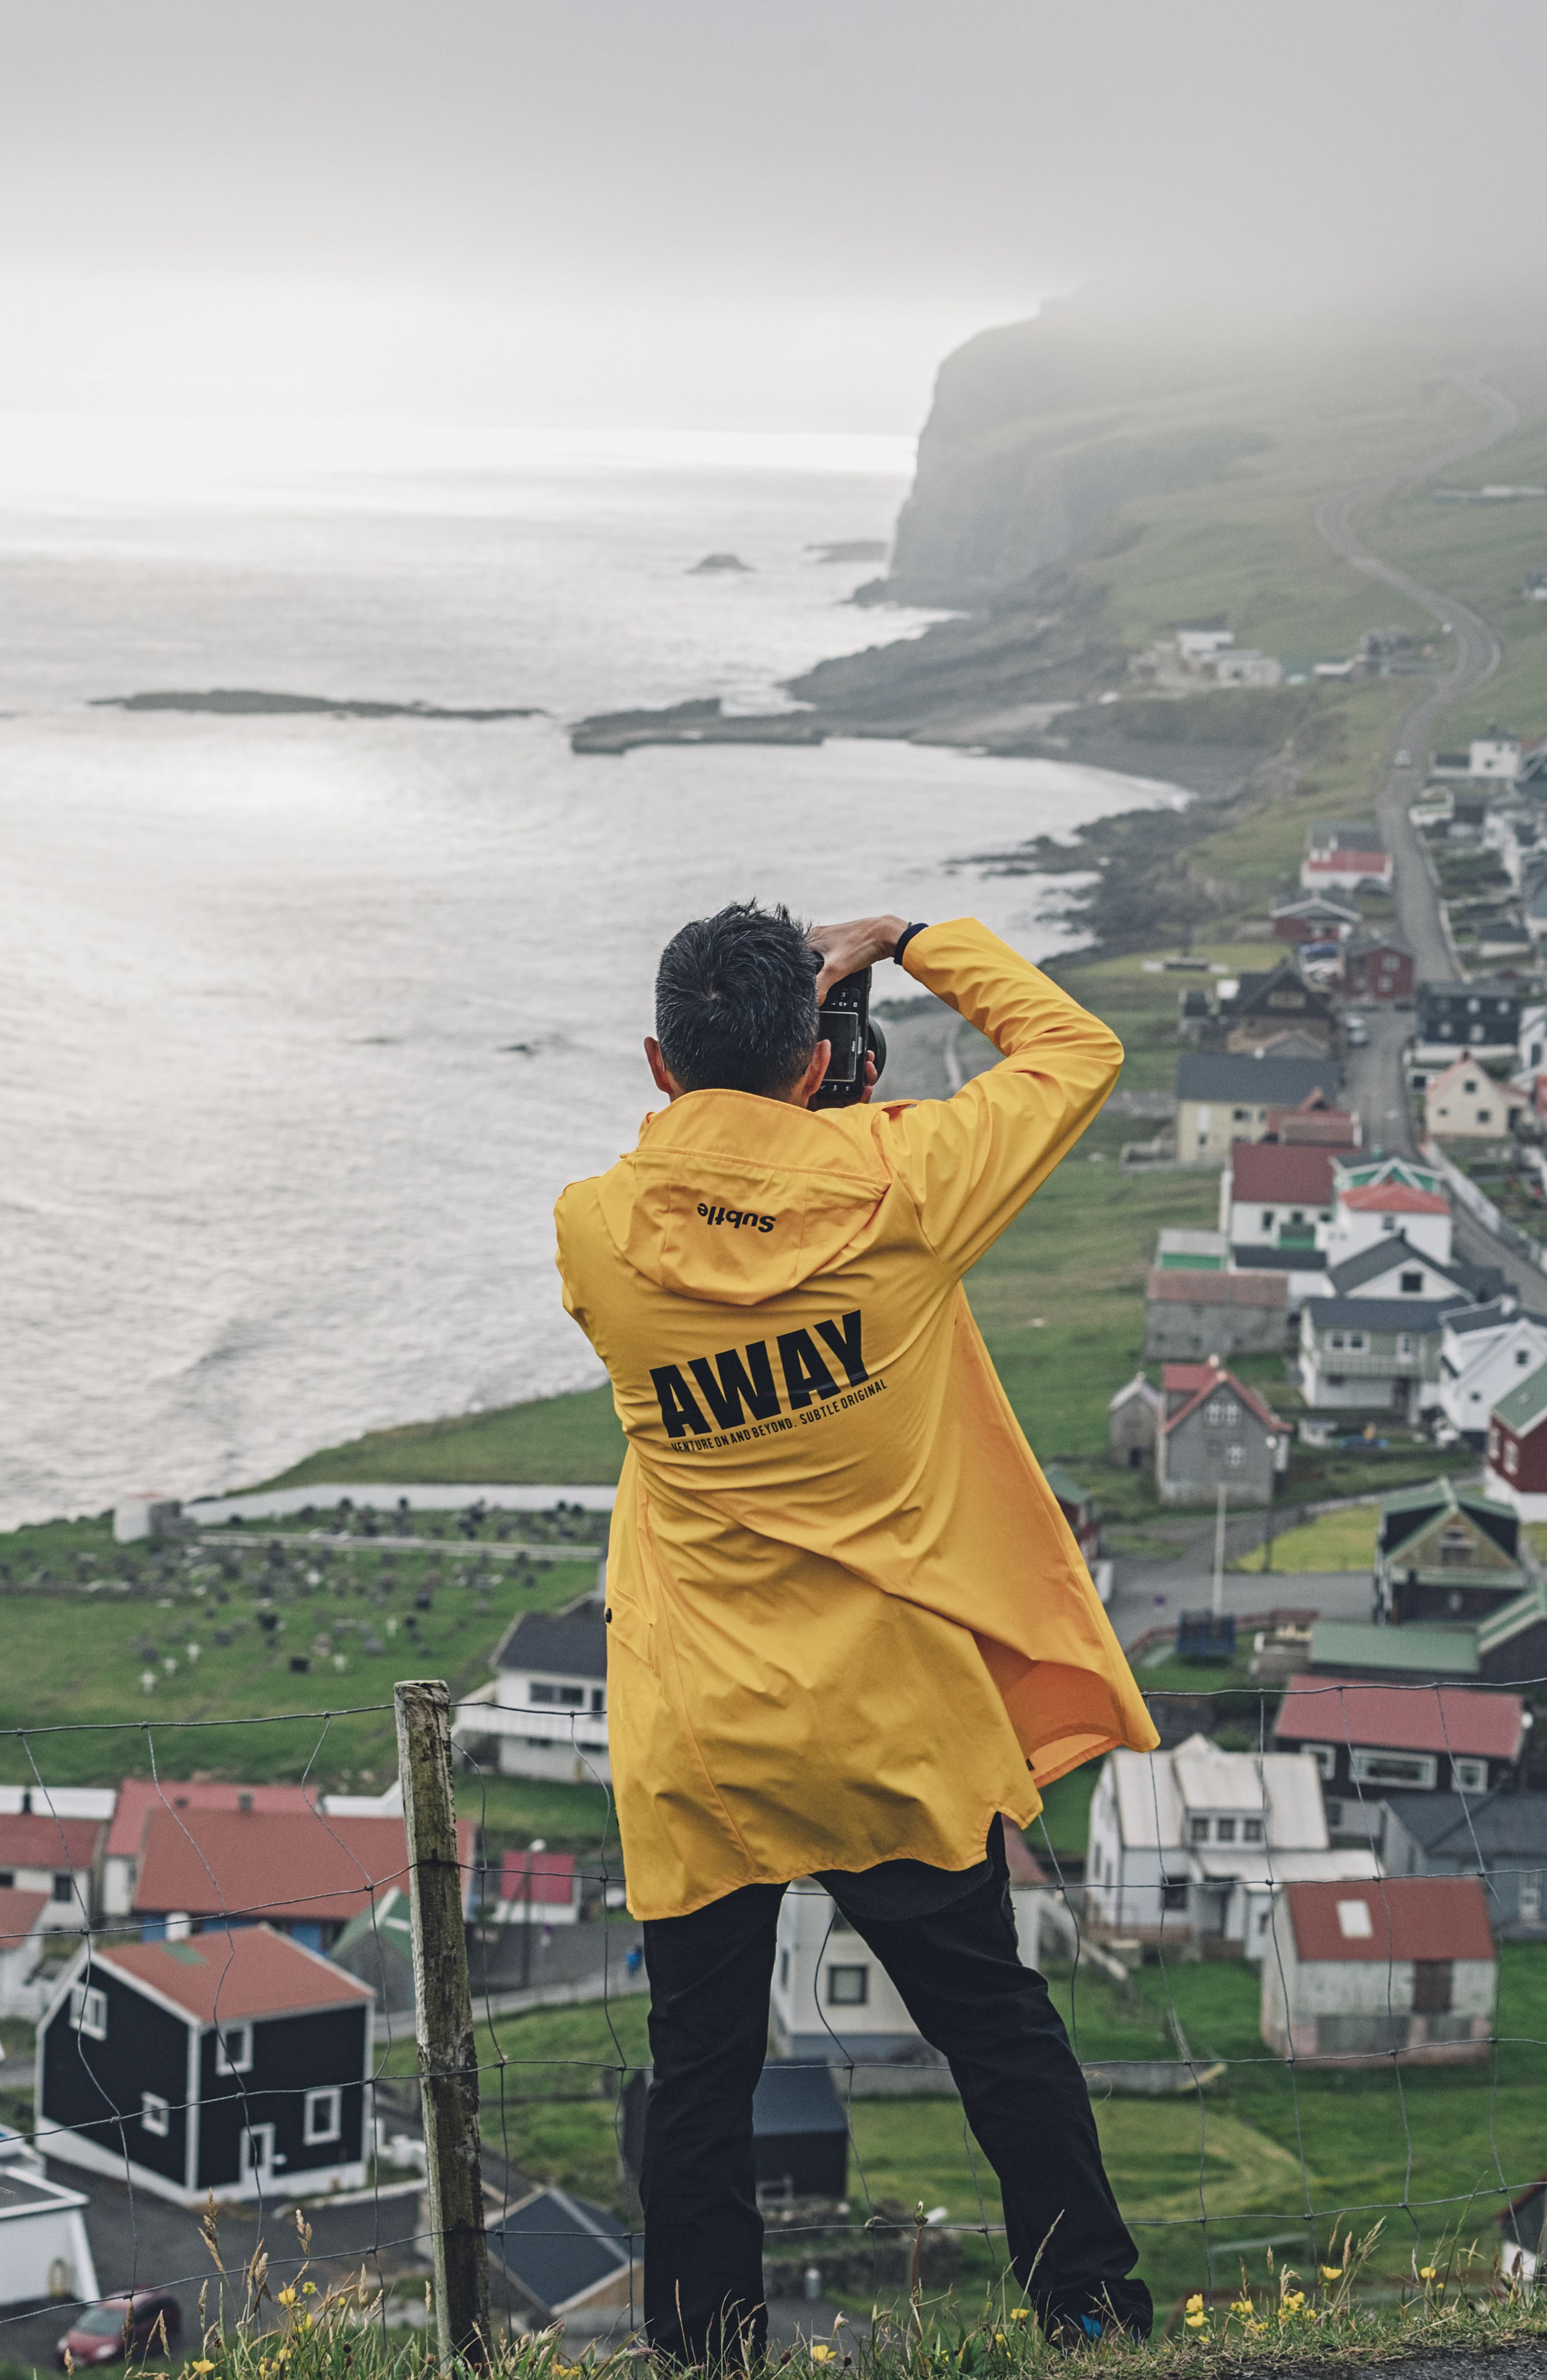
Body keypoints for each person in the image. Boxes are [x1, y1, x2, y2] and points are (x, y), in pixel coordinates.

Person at [554, 904, 1159, 2361]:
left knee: (700, 2075)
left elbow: (712, 1223)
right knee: (995, 2027)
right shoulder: (901, 1183)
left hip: (703, 1733)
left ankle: (707, 2352)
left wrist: (785, 1120)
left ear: (657, 1061)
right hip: (890, 1722)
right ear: (821, 1057)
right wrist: (909, 936)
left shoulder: (593, 1231)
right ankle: (1088, 2309)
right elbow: (1074, 1050)